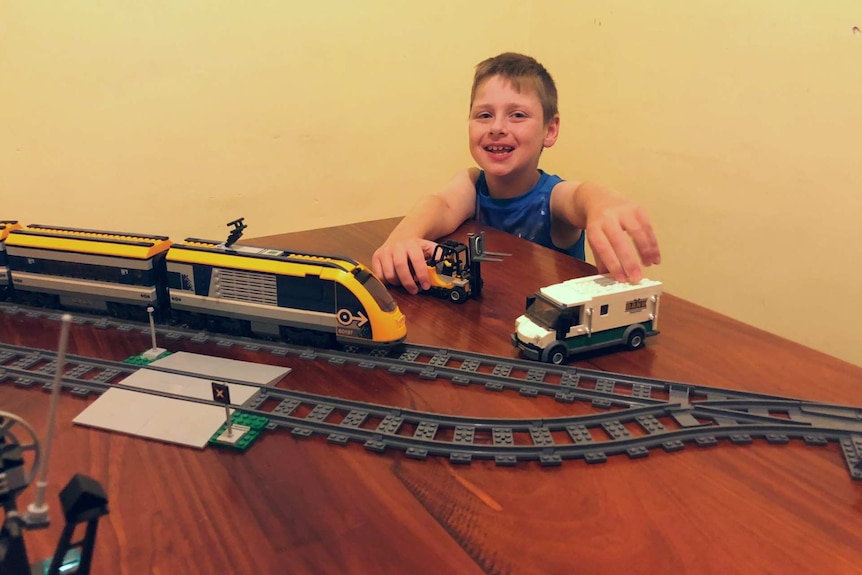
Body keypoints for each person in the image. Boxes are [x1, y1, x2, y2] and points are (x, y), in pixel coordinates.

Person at [371, 52, 660, 294]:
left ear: (550, 129)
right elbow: (439, 204)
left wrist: (602, 203)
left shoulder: (552, 199)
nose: (497, 127)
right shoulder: (472, 183)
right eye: (484, 115)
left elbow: (580, 197)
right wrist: (402, 238)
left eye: (517, 115)